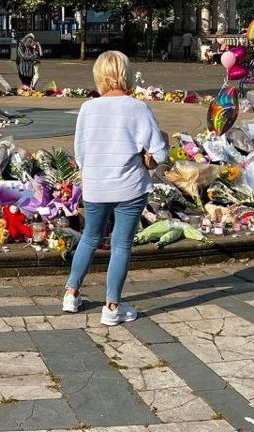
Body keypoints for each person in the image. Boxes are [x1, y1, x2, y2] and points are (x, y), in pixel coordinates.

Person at [63, 51, 168, 326]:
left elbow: (80, 153)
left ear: (99, 76)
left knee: (89, 237)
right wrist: (148, 157)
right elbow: (160, 152)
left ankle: (71, 293)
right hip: (129, 186)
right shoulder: (138, 108)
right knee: (121, 244)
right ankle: (112, 307)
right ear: (126, 73)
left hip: (96, 185)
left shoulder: (87, 108)